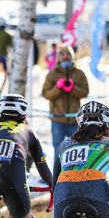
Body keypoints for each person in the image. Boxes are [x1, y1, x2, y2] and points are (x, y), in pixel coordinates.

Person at [41, 46, 89, 178]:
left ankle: (76, 174)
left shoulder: (79, 73)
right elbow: (46, 93)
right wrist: (58, 87)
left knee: (76, 149)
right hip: (57, 119)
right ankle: (58, 175)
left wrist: (73, 88)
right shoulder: (52, 74)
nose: (65, 57)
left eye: (68, 54)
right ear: (59, 57)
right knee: (58, 150)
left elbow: (85, 92)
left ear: (72, 56)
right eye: (63, 55)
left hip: (74, 119)